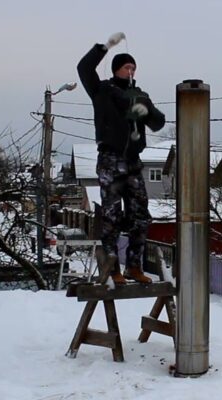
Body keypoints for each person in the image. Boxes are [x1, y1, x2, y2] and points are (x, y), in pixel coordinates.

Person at [77, 32, 166, 285]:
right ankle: (112, 267)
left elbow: (158, 123)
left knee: (140, 215)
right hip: (110, 160)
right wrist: (104, 47)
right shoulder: (102, 90)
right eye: (127, 66)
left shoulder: (138, 95)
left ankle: (134, 267)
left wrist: (145, 109)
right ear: (117, 69)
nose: (131, 70)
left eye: (134, 67)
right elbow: (84, 68)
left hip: (133, 162)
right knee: (112, 216)